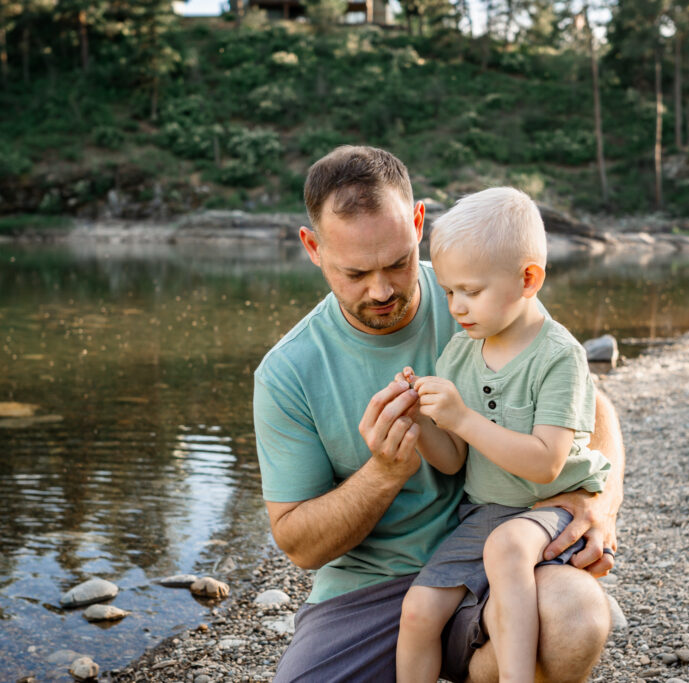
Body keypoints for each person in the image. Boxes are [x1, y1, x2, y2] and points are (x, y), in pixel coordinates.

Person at [253, 145, 625, 682]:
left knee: (575, 618)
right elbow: (298, 545)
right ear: (313, 246)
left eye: (397, 263)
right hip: (371, 591)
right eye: (355, 272)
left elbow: (593, 406)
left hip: (505, 553)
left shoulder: (477, 290)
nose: (381, 290)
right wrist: (383, 473)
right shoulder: (288, 372)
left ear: (418, 222)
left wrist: (599, 504)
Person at [394, 187, 611, 683]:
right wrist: (423, 421)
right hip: (485, 511)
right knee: (417, 613)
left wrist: (465, 418)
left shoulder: (558, 356)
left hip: (551, 504)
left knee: (509, 548)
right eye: (449, 292)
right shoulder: (459, 354)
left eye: (471, 291)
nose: (456, 306)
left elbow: (546, 464)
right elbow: (453, 461)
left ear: (528, 278)